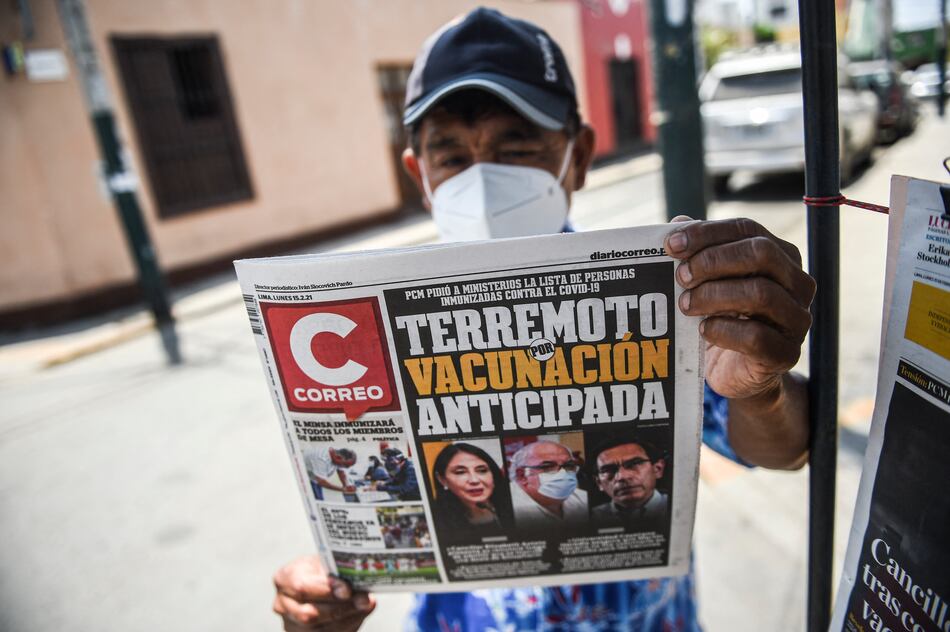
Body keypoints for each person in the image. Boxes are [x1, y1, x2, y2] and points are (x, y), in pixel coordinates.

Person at [272, 8, 814, 631]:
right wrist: (324, 600)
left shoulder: (657, 303)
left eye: (517, 148)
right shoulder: (372, 331)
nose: (482, 178)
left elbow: (786, 447)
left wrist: (762, 389)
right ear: (420, 176)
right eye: (452, 156)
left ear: (577, 156)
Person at [431, 442, 513, 536]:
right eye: (460, 472)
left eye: (482, 470)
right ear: (442, 479)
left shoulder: (515, 507)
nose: (474, 480)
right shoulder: (437, 521)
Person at [590, 436, 668, 530]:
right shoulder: (587, 518)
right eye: (608, 470)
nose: (622, 476)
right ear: (599, 483)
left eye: (634, 464)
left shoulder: (680, 507)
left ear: (657, 469)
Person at [508, 440, 587, 529]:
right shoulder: (506, 510)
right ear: (522, 476)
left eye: (568, 466)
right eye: (547, 467)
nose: (563, 474)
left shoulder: (583, 499)